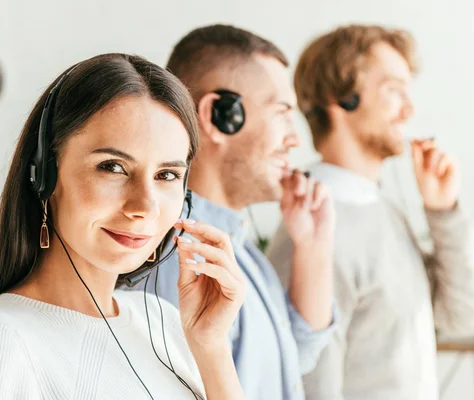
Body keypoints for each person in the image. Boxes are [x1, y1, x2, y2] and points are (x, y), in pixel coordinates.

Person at [0, 53, 247, 400]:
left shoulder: (161, 321)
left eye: (167, 175)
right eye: (112, 167)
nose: (144, 207)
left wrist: (211, 347)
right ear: (44, 177)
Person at [266, 24, 474, 400]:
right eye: (393, 89)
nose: (410, 108)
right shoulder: (311, 226)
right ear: (342, 97)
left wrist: (443, 210)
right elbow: (311, 388)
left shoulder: (381, 209)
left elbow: (464, 316)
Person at [124, 24, 337, 400]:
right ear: (220, 116)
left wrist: (314, 248)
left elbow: (289, 363)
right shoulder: (179, 262)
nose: (295, 139)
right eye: (282, 113)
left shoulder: (240, 252)